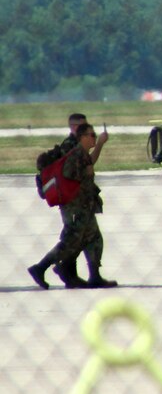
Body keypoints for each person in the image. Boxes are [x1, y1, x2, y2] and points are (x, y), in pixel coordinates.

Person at [28, 122, 117, 289]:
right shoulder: (75, 155)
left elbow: (90, 161)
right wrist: (85, 173)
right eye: (92, 135)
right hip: (75, 208)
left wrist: (99, 145)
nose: (94, 138)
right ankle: (40, 268)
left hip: (85, 207)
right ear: (82, 137)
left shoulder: (82, 154)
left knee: (94, 238)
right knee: (70, 242)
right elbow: (68, 175)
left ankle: (94, 276)